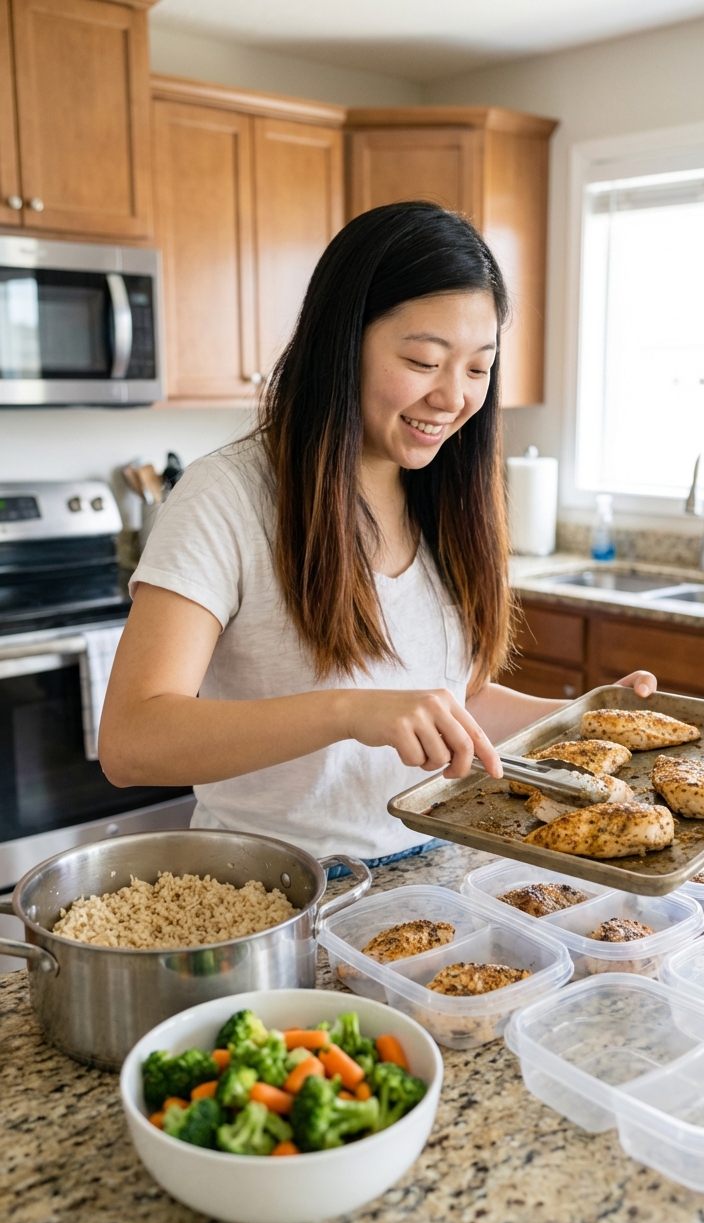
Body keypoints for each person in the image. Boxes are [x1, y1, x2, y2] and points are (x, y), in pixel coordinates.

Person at [99, 202, 655, 869]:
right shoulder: (227, 497)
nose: (453, 399)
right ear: (344, 342)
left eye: (478, 369)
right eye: (424, 361)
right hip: (272, 893)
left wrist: (584, 716)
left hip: (434, 866)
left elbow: (452, 698)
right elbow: (131, 741)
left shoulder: (446, 498)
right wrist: (345, 712)